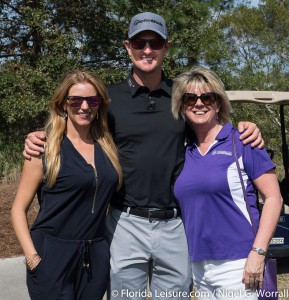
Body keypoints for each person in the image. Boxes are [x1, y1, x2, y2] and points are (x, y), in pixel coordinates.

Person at [23, 12, 264, 300]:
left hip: (175, 226)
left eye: (155, 42)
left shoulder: (183, 98)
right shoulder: (108, 102)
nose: (147, 50)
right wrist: (40, 135)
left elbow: (211, 126)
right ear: (128, 47)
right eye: (139, 42)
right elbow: (76, 123)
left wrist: (247, 126)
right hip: (125, 225)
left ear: (166, 47)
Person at [172, 66, 283, 299]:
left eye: (207, 97)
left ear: (219, 103)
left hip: (240, 264)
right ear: (182, 105)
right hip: (199, 266)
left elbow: (274, 198)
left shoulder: (242, 141)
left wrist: (258, 252)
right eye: (190, 98)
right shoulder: (183, 150)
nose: (199, 103)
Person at [11, 70, 122, 300]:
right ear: (63, 104)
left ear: (99, 104)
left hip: (96, 254)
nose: (84, 107)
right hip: (52, 255)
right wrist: (32, 258)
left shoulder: (108, 147)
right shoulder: (44, 149)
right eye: (75, 100)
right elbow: (18, 210)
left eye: (92, 100)